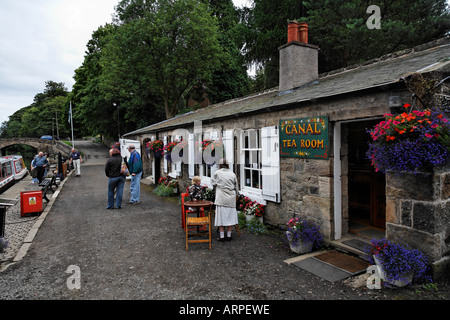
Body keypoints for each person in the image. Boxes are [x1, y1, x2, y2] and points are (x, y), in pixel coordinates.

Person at [212, 159, 239, 242]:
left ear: (220, 165)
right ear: (228, 165)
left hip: (221, 198)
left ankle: (222, 236)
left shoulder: (217, 173)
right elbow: (237, 188)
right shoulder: (232, 174)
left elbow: (213, 183)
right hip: (230, 198)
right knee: (230, 217)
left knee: (221, 217)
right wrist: (236, 195)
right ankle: (229, 235)